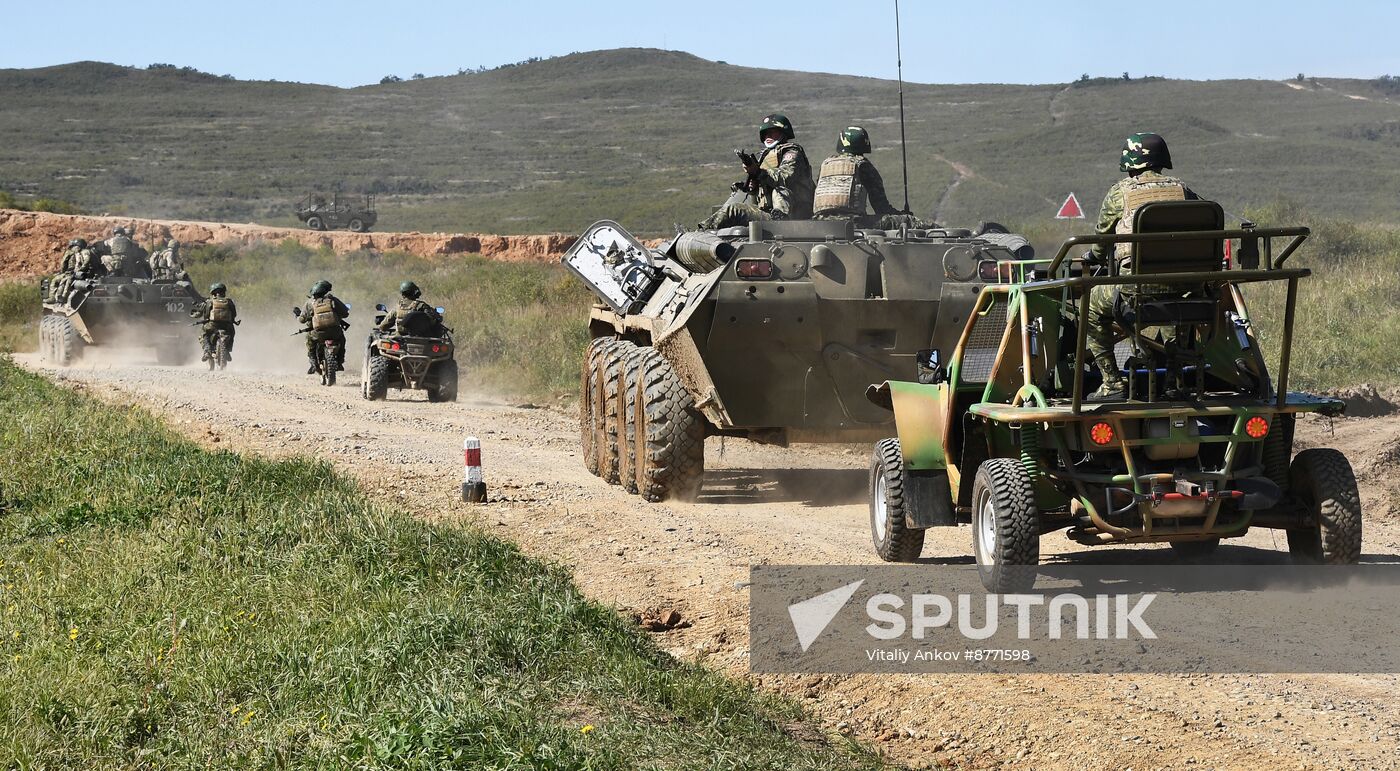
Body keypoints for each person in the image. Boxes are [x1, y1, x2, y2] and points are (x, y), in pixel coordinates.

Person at [1084, 132, 1199, 399]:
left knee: (1089, 305)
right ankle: (1174, 383)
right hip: (1183, 289)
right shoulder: (1183, 191)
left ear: (1130, 161)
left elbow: (1101, 245)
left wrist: (1092, 256)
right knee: (1174, 307)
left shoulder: (1120, 193)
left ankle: (1112, 383)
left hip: (1134, 291)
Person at [697, 113, 815, 230]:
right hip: (770, 215)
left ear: (783, 132)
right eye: (765, 133)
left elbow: (785, 177)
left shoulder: (792, 153)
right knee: (732, 210)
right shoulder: (766, 156)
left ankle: (781, 223)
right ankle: (702, 230)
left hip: (795, 217)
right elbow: (763, 189)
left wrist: (758, 172)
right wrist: (753, 185)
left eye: (773, 132)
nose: (768, 136)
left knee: (780, 190)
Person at [812, 126, 923, 230]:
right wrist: (902, 216)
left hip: (820, 224)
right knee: (909, 221)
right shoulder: (863, 165)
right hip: (853, 223)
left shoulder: (826, 165)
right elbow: (881, 208)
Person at [296, 279, 349, 373]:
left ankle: (313, 363)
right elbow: (345, 313)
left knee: (309, 341)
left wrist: (297, 315)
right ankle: (340, 362)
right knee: (342, 340)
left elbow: (302, 320)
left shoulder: (309, 303)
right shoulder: (332, 300)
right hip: (335, 332)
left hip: (318, 333)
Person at [377, 281, 443, 335]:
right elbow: (433, 320)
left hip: (400, 339)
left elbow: (383, 326)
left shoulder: (397, 307)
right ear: (415, 292)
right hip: (422, 339)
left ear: (402, 293)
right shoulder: (421, 306)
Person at [194, 283, 238, 362]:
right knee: (231, 333)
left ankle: (207, 351)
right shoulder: (229, 301)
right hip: (227, 326)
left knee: (203, 333)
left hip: (212, 325)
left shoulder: (209, 301)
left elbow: (205, 314)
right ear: (224, 292)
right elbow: (234, 314)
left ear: (213, 293)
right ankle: (227, 350)